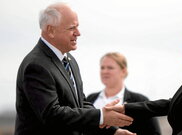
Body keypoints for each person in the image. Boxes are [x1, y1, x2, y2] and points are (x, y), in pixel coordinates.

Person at [14, 2, 136, 135]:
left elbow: (81, 104)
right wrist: (101, 116)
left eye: (77, 27)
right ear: (51, 30)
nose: (78, 33)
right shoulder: (36, 66)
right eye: (72, 28)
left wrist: (114, 131)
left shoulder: (69, 60)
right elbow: (52, 115)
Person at [86, 52, 161, 135]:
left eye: (110, 68)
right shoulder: (90, 99)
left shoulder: (140, 101)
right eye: (102, 68)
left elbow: (154, 133)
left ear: (123, 71)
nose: (104, 71)